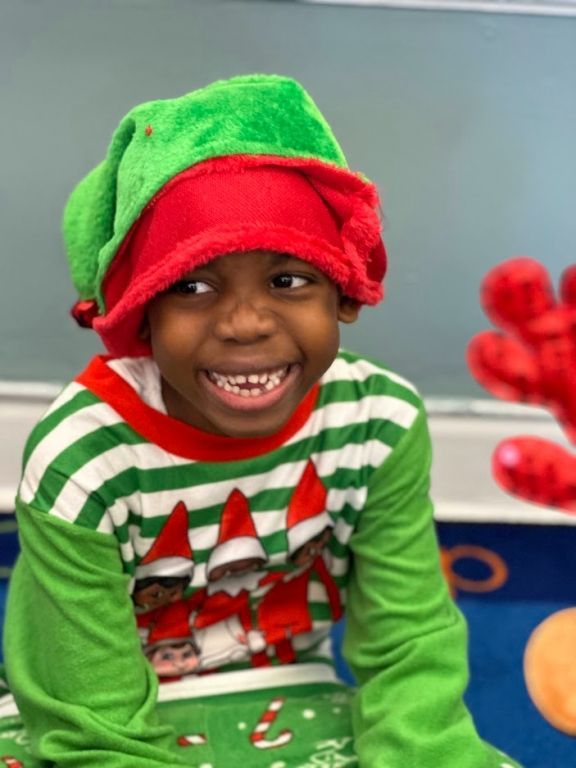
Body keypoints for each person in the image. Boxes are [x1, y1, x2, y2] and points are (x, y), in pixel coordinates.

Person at [0, 74, 522, 767]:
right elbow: (93, 723)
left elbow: (408, 644)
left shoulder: (381, 422)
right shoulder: (82, 459)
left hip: (285, 685)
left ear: (345, 292)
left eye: (287, 279)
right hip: (91, 717)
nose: (245, 324)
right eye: (191, 286)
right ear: (139, 316)